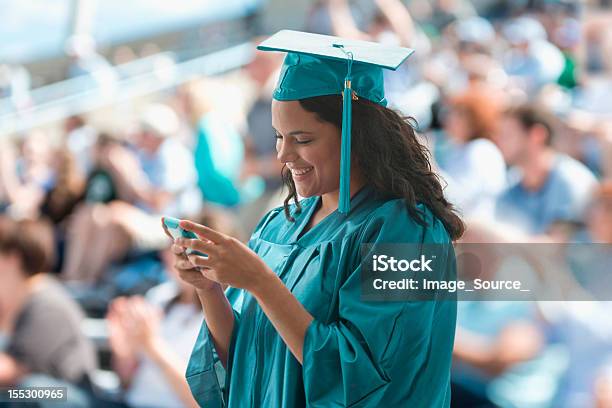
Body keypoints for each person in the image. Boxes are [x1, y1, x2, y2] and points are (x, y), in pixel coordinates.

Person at [167, 30, 464, 407]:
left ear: (357, 135)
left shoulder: (407, 233)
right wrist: (208, 288)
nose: (282, 155)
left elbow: (364, 380)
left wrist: (260, 281)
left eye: (302, 139)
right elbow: (245, 363)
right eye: (278, 136)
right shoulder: (279, 224)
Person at [0, 217, 97, 392]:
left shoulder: (46, 302)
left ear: (12, 259)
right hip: (27, 393)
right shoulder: (12, 299)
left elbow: (12, 371)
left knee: (30, 390)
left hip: (65, 395)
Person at [494, 104, 598, 235]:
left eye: (507, 135)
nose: (498, 141)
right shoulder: (511, 183)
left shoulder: (571, 179)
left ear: (537, 135)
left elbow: (557, 249)